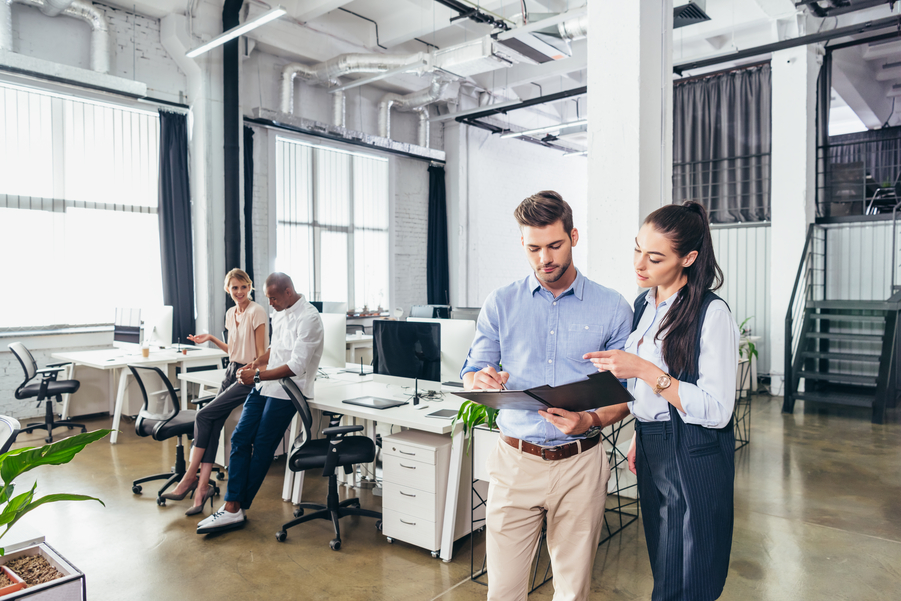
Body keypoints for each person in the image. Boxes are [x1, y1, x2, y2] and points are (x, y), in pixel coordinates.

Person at [460, 191, 633, 601]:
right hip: (514, 462)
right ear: (523, 244)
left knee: (572, 591)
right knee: (503, 591)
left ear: (573, 236)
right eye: (534, 248)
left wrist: (589, 419)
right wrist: (478, 381)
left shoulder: (612, 308)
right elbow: (471, 372)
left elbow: (629, 394)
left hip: (580, 464)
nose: (544, 259)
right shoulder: (500, 303)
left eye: (555, 245)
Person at [584, 201, 739, 601]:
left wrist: (643, 370)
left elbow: (718, 411)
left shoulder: (710, 312)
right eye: (637, 249)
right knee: (665, 558)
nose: (640, 264)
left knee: (689, 567)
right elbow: (649, 396)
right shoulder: (643, 305)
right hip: (654, 441)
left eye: (654, 257)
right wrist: (640, 431)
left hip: (693, 448)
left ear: (688, 258)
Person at [197, 272, 324, 534]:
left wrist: (256, 374)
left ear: (288, 291)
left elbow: (297, 366)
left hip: (289, 390)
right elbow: (277, 350)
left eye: (273, 298)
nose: (271, 304)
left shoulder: (309, 318)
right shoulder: (280, 311)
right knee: (241, 437)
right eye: (268, 299)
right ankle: (233, 506)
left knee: (263, 445)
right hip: (265, 383)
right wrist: (258, 362)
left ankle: (234, 507)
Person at [161, 268, 267, 515]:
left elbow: (262, 354)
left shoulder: (257, 311)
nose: (239, 292)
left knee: (202, 415)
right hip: (231, 370)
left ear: (249, 287)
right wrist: (210, 337)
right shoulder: (231, 313)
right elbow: (232, 349)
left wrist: (250, 371)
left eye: (243, 287)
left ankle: (189, 478)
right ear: (228, 290)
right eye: (234, 288)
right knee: (213, 422)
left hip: (248, 375)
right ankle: (201, 491)